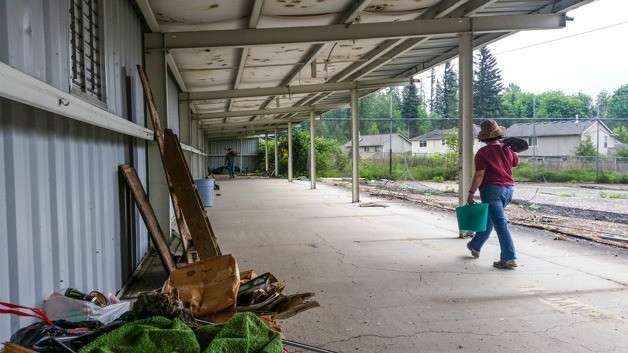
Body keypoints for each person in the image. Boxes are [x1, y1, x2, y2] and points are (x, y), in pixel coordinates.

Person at [466, 119, 520, 269]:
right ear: (497, 134)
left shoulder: (483, 152)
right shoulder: (507, 149)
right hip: (508, 190)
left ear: (484, 137)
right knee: (492, 219)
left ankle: (509, 258)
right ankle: (475, 245)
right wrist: (511, 149)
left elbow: (479, 175)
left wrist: (471, 193)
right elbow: (515, 163)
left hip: (492, 191)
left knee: (500, 224)